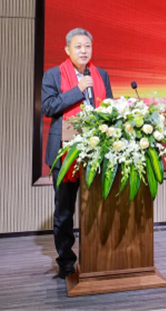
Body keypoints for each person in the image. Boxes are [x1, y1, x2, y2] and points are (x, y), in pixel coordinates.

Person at [41, 28, 113, 279]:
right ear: (67, 50)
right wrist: (78, 89)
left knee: (97, 208)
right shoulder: (53, 75)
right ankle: (66, 262)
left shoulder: (101, 75)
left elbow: (109, 109)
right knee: (64, 212)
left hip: (97, 151)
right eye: (78, 46)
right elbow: (48, 107)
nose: (84, 51)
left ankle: (96, 257)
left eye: (87, 46)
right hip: (64, 153)